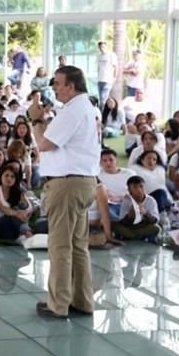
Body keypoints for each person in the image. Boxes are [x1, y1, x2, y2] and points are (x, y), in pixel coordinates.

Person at [29, 65, 100, 319]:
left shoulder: (73, 109)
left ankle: (58, 304)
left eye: (58, 83)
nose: (55, 87)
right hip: (83, 181)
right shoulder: (85, 107)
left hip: (68, 184)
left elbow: (45, 143)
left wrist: (36, 120)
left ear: (71, 86)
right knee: (78, 245)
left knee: (60, 246)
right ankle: (82, 301)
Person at [113, 176, 160, 242]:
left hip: (144, 227)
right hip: (130, 227)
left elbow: (155, 220)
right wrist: (129, 215)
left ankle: (132, 237)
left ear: (145, 187)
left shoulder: (151, 200)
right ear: (129, 190)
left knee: (156, 228)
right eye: (135, 187)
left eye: (141, 186)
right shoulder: (127, 201)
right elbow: (122, 222)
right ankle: (136, 236)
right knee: (116, 226)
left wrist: (145, 213)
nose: (139, 190)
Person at [96, 41, 118, 106]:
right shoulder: (98, 56)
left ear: (106, 47)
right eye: (100, 47)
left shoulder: (111, 55)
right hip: (100, 79)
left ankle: (103, 114)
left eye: (103, 46)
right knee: (101, 99)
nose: (101, 48)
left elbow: (115, 67)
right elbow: (98, 67)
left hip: (107, 80)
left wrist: (114, 77)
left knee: (103, 99)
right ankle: (103, 112)